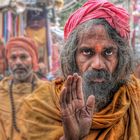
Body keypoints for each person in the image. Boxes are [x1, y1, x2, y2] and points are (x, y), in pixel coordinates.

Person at [19, 0, 140, 139]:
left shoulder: (135, 98)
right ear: (72, 57)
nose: (97, 64)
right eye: (87, 52)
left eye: (108, 52)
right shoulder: (39, 105)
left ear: (121, 57)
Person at [0, 36, 50, 140]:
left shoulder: (48, 91)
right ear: (8, 62)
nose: (18, 62)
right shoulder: (1, 91)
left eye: (23, 57)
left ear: (33, 60)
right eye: (13, 58)